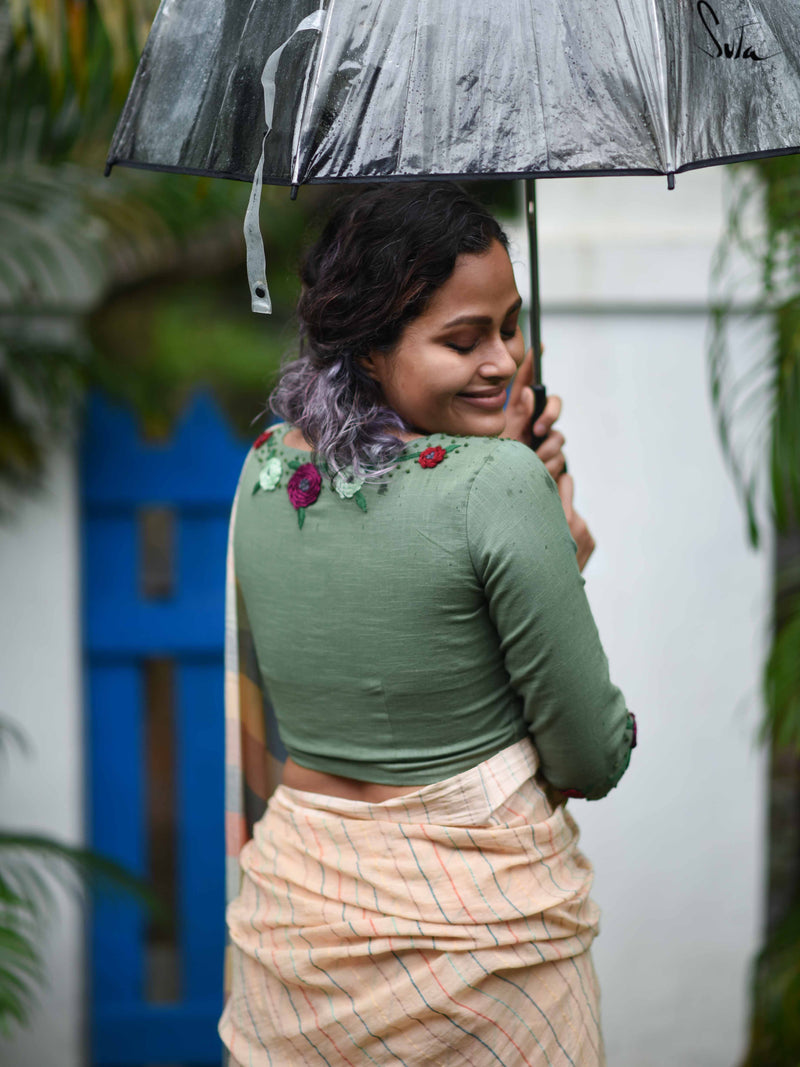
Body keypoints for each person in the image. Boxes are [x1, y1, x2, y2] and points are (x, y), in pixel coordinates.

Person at [218, 182, 636, 1067]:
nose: (505, 361)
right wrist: (554, 540)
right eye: (464, 338)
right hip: (484, 956)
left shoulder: (263, 471)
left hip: (295, 937)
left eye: (509, 326)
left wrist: (506, 466)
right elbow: (590, 757)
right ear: (371, 348)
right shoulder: (501, 487)